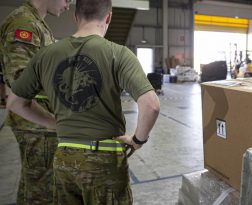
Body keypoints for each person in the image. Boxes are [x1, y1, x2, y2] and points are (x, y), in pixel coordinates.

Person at [7, 0, 160, 203]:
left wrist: (54, 123)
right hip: (105, 160)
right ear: (109, 17)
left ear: (76, 18)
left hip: (64, 158)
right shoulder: (118, 53)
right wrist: (138, 140)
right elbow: (151, 105)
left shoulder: (45, 55)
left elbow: (15, 103)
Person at [0, 0, 71, 204]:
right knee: (41, 193)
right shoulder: (24, 24)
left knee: (37, 186)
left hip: (40, 123)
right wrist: (54, 123)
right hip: (36, 125)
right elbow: (19, 87)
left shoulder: (37, 24)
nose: (68, 5)